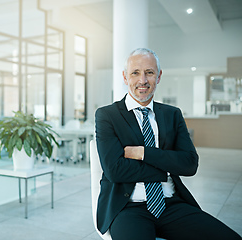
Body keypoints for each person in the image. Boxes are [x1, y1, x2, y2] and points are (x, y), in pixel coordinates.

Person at [94, 48, 241, 240]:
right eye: (135, 73)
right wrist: (166, 169)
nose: (143, 80)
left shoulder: (172, 114)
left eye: (149, 72)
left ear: (159, 76)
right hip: (127, 208)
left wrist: (144, 153)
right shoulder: (108, 115)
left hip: (171, 204)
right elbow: (115, 170)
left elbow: (189, 164)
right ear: (125, 77)